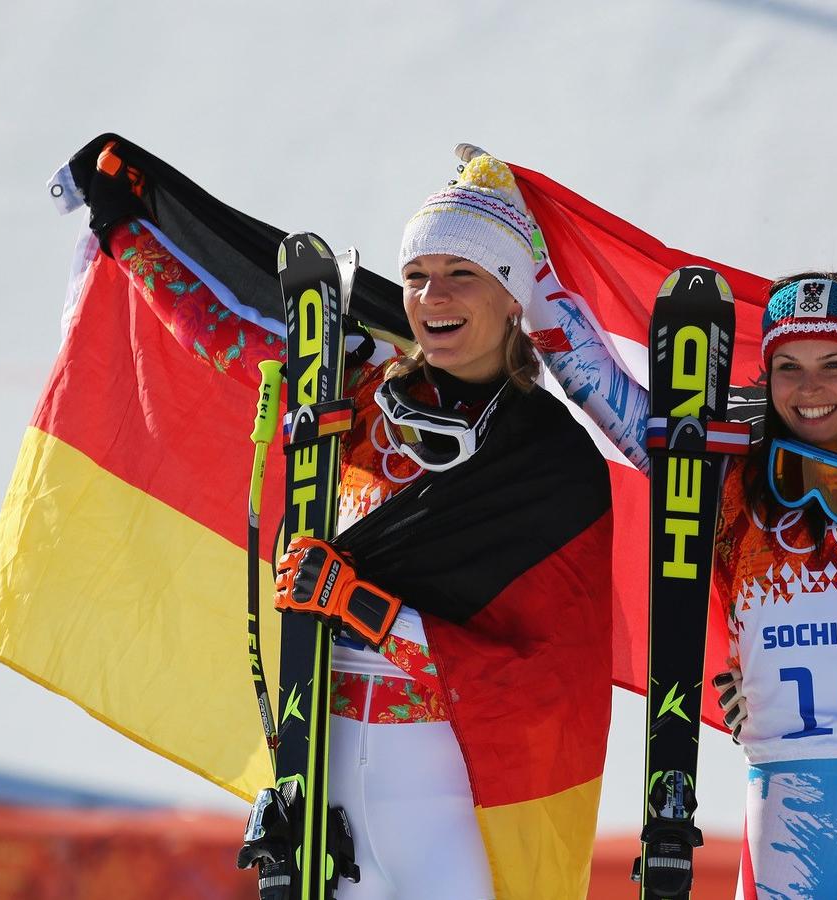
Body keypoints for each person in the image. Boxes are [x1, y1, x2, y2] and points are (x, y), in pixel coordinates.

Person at [528, 268, 837, 897]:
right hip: (788, 821)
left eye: (835, 364)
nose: (809, 389)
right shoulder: (728, 489)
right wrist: (524, 262)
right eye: (788, 367)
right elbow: (609, 398)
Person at [271, 148, 614, 899]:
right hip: (327, 777)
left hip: (444, 795)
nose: (433, 295)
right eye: (418, 276)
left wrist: (358, 604)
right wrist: (135, 223)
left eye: (464, 273)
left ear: (512, 293)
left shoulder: (551, 457)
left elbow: (542, 673)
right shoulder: (354, 407)